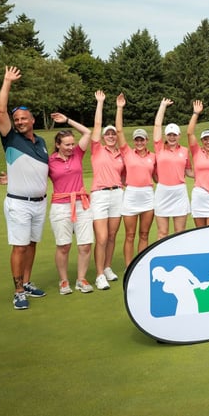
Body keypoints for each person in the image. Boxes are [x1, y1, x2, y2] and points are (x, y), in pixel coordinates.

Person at [0, 66, 48, 310]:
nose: (19, 122)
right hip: (18, 202)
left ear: (32, 120)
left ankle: (26, 283)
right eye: (16, 120)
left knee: (32, 244)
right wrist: (7, 81)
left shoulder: (43, 143)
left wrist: (12, 175)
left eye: (23, 118)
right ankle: (18, 291)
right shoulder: (11, 138)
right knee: (20, 245)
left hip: (39, 202)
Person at [48, 113, 95, 294]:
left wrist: (67, 120)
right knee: (64, 245)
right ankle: (64, 281)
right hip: (60, 206)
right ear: (58, 145)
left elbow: (87, 132)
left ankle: (81, 279)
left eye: (72, 144)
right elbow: (35, 176)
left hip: (82, 204)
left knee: (85, 245)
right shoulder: (50, 160)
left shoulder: (77, 154)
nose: (70, 147)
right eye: (66, 144)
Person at [89, 90, 124, 287]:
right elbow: (96, 125)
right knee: (101, 237)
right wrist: (100, 103)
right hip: (100, 195)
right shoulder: (97, 149)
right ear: (103, 137)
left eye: (113, 134)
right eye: (107, 134)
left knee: (112, 235)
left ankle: (108, 267)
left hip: (117, 194)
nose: (111, 136)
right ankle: (99, 274)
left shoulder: (121, 154)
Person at [116, 97, 156, 268]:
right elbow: (119, 131)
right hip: (131, 195)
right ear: (134, 141)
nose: (139, 142)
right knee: (130, 235)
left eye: (142, 139)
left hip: (147, 196)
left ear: (146, 140)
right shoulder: (127, 152)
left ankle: (140, 264)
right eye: (137, 140)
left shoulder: (153, 156)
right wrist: (120, 108)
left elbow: (158, 176)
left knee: (145, 234)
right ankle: (129, 267)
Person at [153, 98, 193, 238]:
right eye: (169, 135)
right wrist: (163, 106)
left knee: (179, 232)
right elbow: (157, 125)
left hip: (179, 192)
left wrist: (205, 173)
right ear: (165, 136)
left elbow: (188, 171)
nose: (171, 137)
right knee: (162, 232)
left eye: (174, 135)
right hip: (163, 191)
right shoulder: (159, 148)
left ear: (179, 136)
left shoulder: (185, 151)